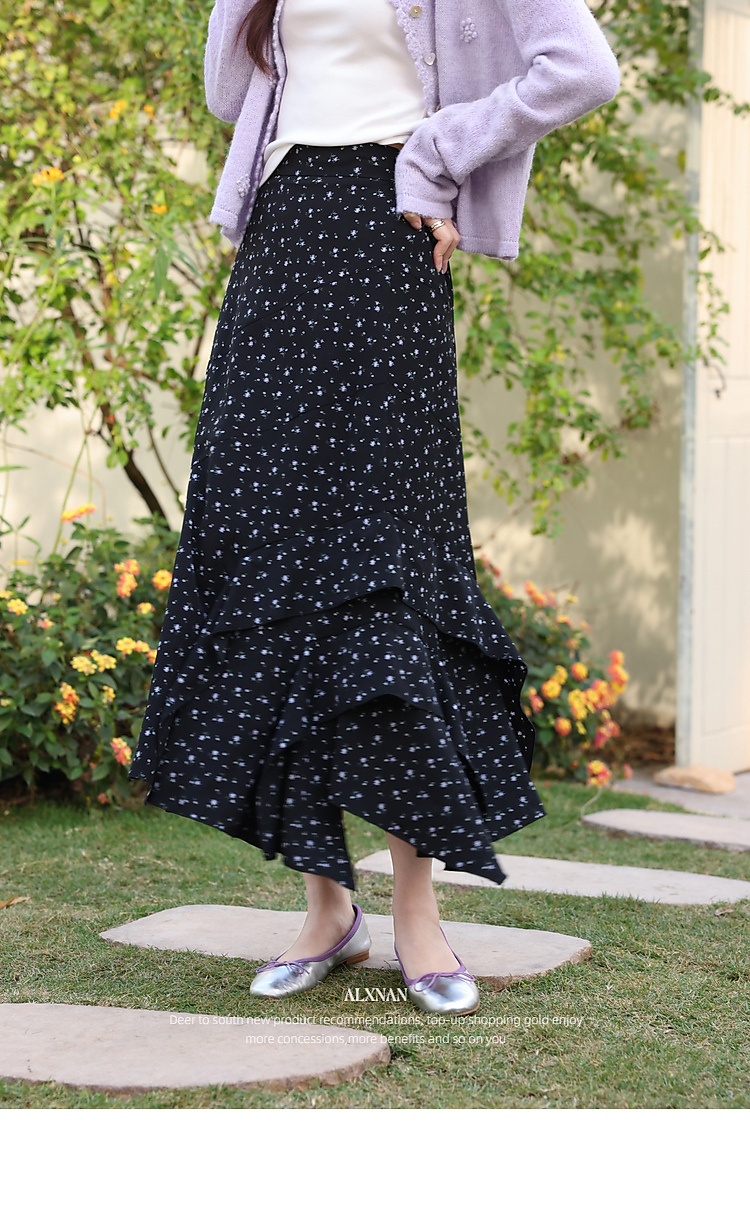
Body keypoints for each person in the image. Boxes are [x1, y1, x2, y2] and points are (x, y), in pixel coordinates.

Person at [131, 0, 619, 1015]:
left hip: (392, 228)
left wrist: (440, 147)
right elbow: (231, 91)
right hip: (281, 231)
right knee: (278, 558)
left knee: (389, 567)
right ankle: (326, 909)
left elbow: (583, 68)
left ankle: (416, 913)